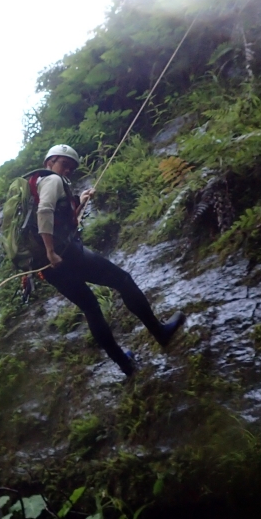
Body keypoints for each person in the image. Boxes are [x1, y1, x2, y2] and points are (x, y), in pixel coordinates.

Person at [32, 144, 186, 377]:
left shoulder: (35, 185)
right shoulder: (52, 180)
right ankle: (160, 333)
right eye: (64, 164)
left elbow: (60, 219)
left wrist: (80, 201)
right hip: (64, 255)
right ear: (49, 162)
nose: (66, 171)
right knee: (123, 281)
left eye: (71, 168)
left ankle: (126, 366)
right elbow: (44, 212)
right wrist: (51, 251)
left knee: (90, 308)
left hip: (47, 268)